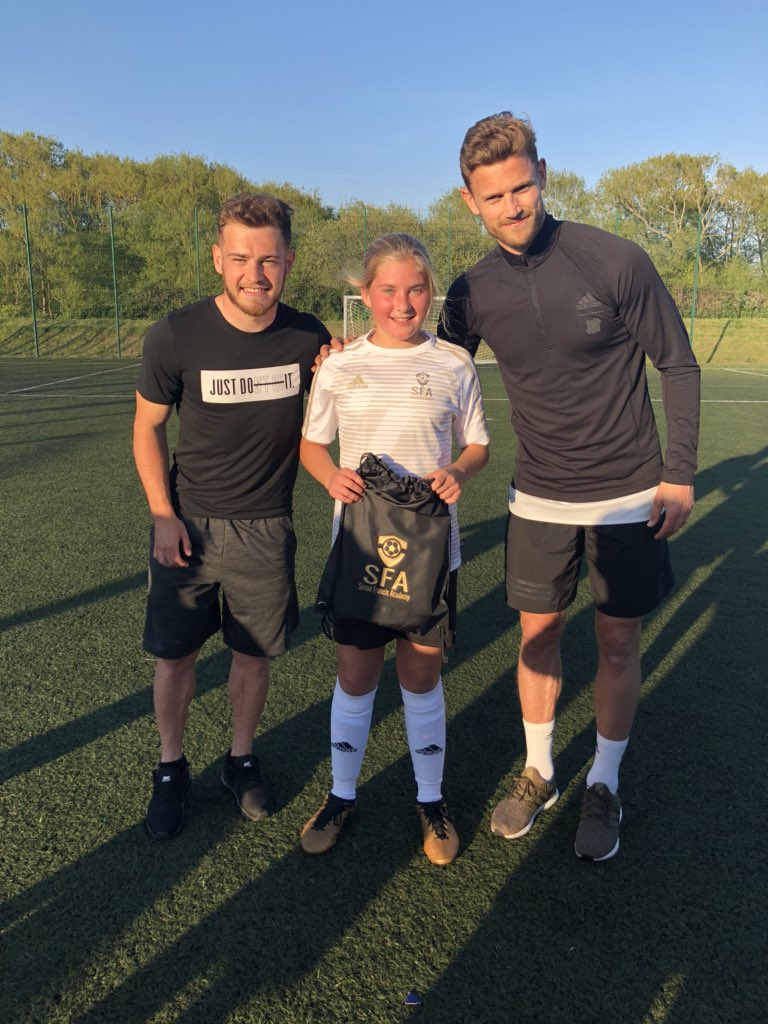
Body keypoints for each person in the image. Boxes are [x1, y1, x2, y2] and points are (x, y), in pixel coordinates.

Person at [438, 112, 701, 861]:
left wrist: (677, 472)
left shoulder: (613, 259)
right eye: (494, 197)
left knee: (616, 640)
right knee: (538, 635)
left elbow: (677, 364)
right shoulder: (472, 290)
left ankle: (606, 783)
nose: (513, 207)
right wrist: (351, 364)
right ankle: (540, 771)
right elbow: (432, 373)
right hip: (539, 496)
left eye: (523, 187)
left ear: (543, 173)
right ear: (469, 201)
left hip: (626, 494)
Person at [133, 193, 330, 840]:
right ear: (218, 259)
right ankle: (170, 768)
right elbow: (147, 429)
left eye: (268, 260)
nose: (255, 273)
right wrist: (163, 515)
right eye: (241, 258)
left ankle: (239, 759)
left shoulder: (310, 338)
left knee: (252, 655)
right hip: (187, 527)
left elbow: (346, 396)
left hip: (266, 527)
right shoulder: (176, 334)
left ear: (289, 261)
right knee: (177, 656)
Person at [299, 233, 489, 865]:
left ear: (429, 292)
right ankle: (340, 794)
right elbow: (311, 444)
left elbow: (478, 446)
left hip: (432, 554)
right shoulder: (340, 364)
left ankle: (430, 801)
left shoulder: (455, 364)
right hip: (359, 551)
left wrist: (460, 471)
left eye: (415, 289)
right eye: (388, 290)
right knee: (355, 678)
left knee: (421, 676)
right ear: (366, 294)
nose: (402, 303)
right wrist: (330, 477)